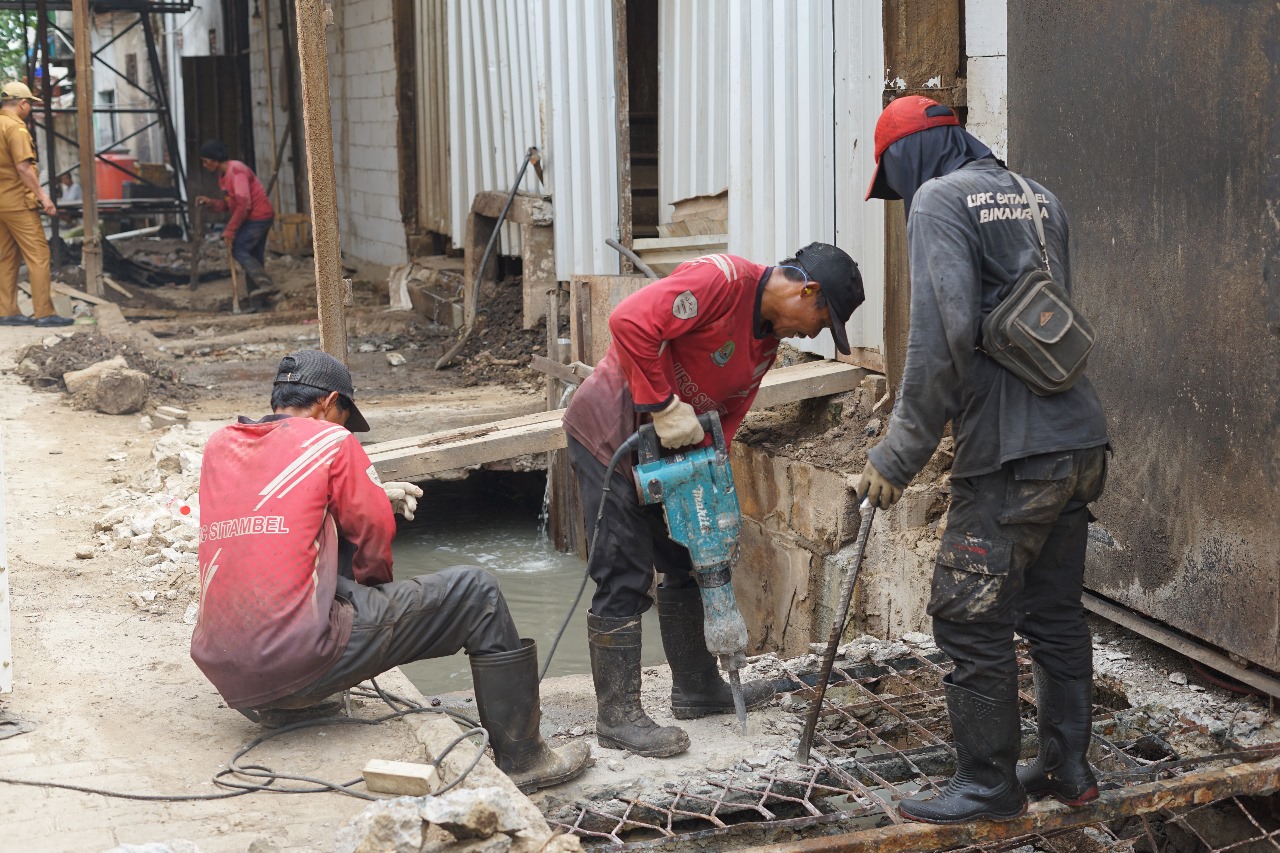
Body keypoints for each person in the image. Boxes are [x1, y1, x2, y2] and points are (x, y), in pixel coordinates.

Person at [860, 95, 1110, 824]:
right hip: (1081, 440)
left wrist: (898, 452)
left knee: (971, 618)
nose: (900, 196)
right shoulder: (1039, 196)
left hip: (1011, 454)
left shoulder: (940, 199)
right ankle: (1069, 766)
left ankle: (987, 783)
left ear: (909, 157)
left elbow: (944, 333)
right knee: (1055, 611)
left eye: (894, 180)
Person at [191, 349, 591, 792]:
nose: (345, 429)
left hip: (228, 667)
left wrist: (365, 494)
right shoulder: (331, 441)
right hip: (293, 658)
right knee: (479, 592)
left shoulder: (222, 443)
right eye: (344, 417)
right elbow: (373, 535)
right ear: (330, 403)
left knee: (307, 564)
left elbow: (272, 525)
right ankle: (526, 759)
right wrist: (377, 593)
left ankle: (291, 706)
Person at [562, 246, 865, 757]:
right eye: (821, 319)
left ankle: (697, 690)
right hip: (610, 438)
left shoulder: (766, 345)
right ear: (806, 290)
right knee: (624, 572)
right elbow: (629, 320)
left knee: (691, 557)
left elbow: (728, 412)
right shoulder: (719, 281)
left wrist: (707, 477)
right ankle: (617, 717)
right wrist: (661, 404)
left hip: (672, 451)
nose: (813, 334)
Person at [0, 82, 70, 327]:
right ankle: (44, 313)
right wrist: (43, 196)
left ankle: (6, 310)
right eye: (30, 104)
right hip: (19, 203)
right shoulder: (16, 129)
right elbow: (23, 167)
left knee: (7, 257)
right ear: (22, 103)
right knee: (39, 256)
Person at [194, 139, 275, 311]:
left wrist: (230, 230)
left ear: (215, 159)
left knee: (239, 249)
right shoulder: (223, 176)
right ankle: (259, 302)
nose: (204, 164)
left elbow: (244, 204)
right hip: (252, 218)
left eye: (206, 161)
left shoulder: (236, 171)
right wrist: (211, 203)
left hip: (258, 217)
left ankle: (266, 285)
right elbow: (229, 204)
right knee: (253, 257)